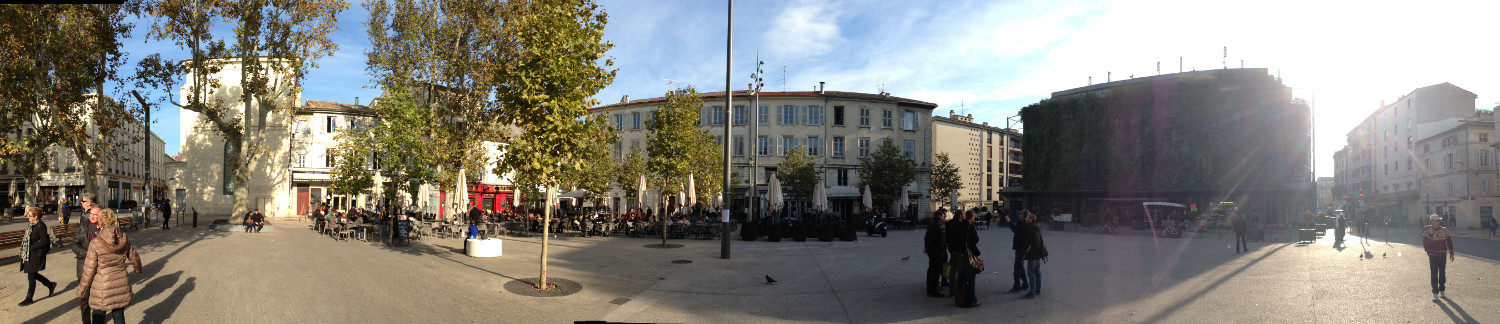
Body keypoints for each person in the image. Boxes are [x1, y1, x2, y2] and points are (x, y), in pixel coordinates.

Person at [78, 209, 142, 324]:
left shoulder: (95, 243)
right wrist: (138, 269)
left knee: (98, 314)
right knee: (118, 315)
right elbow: (134, 257)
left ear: (100, 222)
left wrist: (82, 290)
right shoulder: (124, 238)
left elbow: (89, 269)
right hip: (120, 282)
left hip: (102, 285)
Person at [73, 192, 104, 323]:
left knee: (99, 299)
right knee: (84, 299)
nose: (92, 216)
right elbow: (74, 244)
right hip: (84, 266)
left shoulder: (106, 229)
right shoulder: (83, 226)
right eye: (91, 214)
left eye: (95, 215)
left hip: (100, 269)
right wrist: (86, 253)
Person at [19, 207, 57, 306]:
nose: (28, 217)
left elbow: (44, 241)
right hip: (29, 254)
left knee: (31, 275)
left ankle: (29, 298)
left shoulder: (41, 226)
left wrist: (32, 247)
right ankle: (50, 284)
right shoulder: (32, 225)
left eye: (30, 215)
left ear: (35, 217)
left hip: (36, 254)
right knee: (33, 274)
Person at [947, 210, 980, 308]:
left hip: (959, 251)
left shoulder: (958, 224)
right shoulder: (969, 225)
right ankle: (970, 299)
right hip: (968, 253)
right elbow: (976, 239)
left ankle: (959, 297)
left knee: (961, 275)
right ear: (972, 217)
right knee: (970, 276)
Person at [1422, 214, 1455, 301]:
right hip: (1433, 255)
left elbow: (1449, 241)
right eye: (1435, 220)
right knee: (1434, 274)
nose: (1437, 222)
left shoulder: (1444, 230)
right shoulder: (1427, 232)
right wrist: (1430, 234)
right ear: (1431, 221)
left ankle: (1442, 290)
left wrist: (1451, 252)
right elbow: (1425, 243)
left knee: (1442, 273)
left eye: (1438, 220)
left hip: (1442, 254)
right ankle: (1435, 293)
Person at [1020, 212, 1048, 299]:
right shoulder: (1037, 227)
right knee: (1037, 272)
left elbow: (1027, 240)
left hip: (1032, 253)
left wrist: (1026, 249)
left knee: (1031, 273)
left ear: (1031, 219)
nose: (1026, 217)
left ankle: (1032, 293)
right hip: (1038, 253)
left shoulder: (1030, 227)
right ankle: (1037, 290)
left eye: (1027, 217)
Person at [923, 209, 949, 297]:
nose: (945, 216)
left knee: (932, 269)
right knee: (935, 270)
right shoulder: (937, 226)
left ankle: (931, 288)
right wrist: (941, 251)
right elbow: (938, 240)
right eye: (943, 215)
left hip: (933, 251)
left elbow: (926, 237)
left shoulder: (934, 224)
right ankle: (933, 290)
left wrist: (927, 248)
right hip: (936, 251)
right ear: (939, 216)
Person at [1005, 211, 1029, 293]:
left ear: (1025, 216)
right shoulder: (1023, 223)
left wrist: (1009, 221)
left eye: (1021, 214)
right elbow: (1018, 225)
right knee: (1020, 267)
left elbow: (1015, 230)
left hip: (1021, 248)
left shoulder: (1025, 224)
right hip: (1021, 247)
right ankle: (1025, 284)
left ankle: (1016, 287)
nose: (1019, 215)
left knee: (1017, 269)